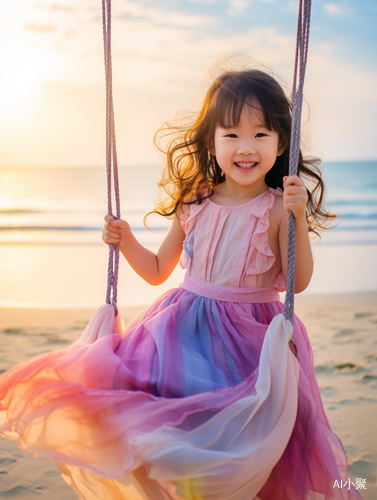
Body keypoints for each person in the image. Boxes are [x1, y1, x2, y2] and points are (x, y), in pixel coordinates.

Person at [0, 69, 362, 500]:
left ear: (280, 143)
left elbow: (298, 283)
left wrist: (299, 217)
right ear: (212, 142)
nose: (246, 148)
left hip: (247, 341)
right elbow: (156, 270)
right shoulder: (196, 200)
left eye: (261, 134)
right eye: (231, 134)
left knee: (240, 437)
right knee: (162, 422)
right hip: (182, 328)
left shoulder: (278, 208)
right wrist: (126, 240)